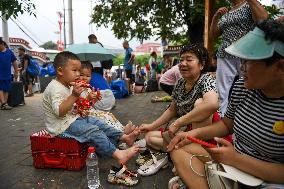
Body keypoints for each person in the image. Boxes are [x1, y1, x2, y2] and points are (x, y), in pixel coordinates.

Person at [168, 20, 284, 189]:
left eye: (248, 62)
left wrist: (237, 159)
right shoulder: (242, 86)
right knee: (178, 149)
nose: (241, 69)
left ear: (279, 67)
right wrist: (192, 134)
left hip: (269, 178)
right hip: (233, 165)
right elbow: (226, 124)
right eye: (240, 62)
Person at [42, 51, 141, 171]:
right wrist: (74, 95)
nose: (78, 74)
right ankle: (119, 155)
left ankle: (124, 137)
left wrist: (86, 99)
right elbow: (59, 112)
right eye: (75, 70)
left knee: (99, 123)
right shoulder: (54, 88)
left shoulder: (69, 85)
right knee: (93, 130)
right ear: (60, 71)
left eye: (79, 71)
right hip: (60, 127)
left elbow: (78, 104)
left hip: (72, 119)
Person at [140, 44, 219, 152]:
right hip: (186, 130)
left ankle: (197, 150)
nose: (183, 63)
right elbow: (172, 109)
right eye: (181, 60)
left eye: (189, 60)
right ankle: (180, 150)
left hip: (206, 135)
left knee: (200, 103)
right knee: (149, 136)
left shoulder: (206, 79)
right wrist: (152, 126)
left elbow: (212, 104)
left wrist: (178, 123)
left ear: (202, 64)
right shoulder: (181, 82)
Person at [209, 0, 268, 116]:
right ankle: (222, 118)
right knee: (222, 90)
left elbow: (264, 20)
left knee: (249, 86)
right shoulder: (227, 11)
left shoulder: (249, 4)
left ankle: (248, 116)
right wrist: (215, 17)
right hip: (225, 53)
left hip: (245, 51)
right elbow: (213, 35)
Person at [0, 38, 18, 110]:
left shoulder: (9, 52)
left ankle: (4, 104)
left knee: (6, 89)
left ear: (2, 44)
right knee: (0, 88)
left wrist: (16, 72)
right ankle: (3, 103)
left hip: (7, 74)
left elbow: (14, 62)